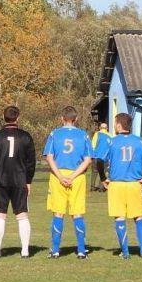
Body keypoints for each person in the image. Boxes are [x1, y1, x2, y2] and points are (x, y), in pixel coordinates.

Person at [94, 112, 142, 259]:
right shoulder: (140, 141)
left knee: (120, 218)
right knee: (139, 218)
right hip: (134, 185)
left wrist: (103, 178)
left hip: (116, 185)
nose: (115, 126)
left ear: (119, 125)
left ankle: (126, 253)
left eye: (115, 123)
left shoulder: (112, 141)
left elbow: (99, 161)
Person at [0, 106, 36, 259]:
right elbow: (31, 162)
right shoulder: (26, 137)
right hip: (20, 180)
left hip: (0, 180)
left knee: (0, 216)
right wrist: (28, 180)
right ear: (17, 118)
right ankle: (25, 251)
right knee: (22, 215)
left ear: (3, 118)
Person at [43, 106, 92, 259]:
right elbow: (88, 160)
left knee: (58, 213)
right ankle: (81, 251)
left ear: (61, 118)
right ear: (76, 119)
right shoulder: (83, 135)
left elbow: (49, 157)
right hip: (77, 177)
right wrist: (73, 176)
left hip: (58, 176)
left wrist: (60, 176)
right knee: (77, 213)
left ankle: (56, 250)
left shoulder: (54, 134)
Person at [90, 121, 111, 192]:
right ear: (107, 128)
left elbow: (93, 145)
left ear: (100, 128)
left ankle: (92, 187)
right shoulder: (111, 136)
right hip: (105, 158)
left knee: (94, 172)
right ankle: (101, 187)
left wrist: (91, 156)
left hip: (96, 157)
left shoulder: (97, 134)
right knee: (103, 172)